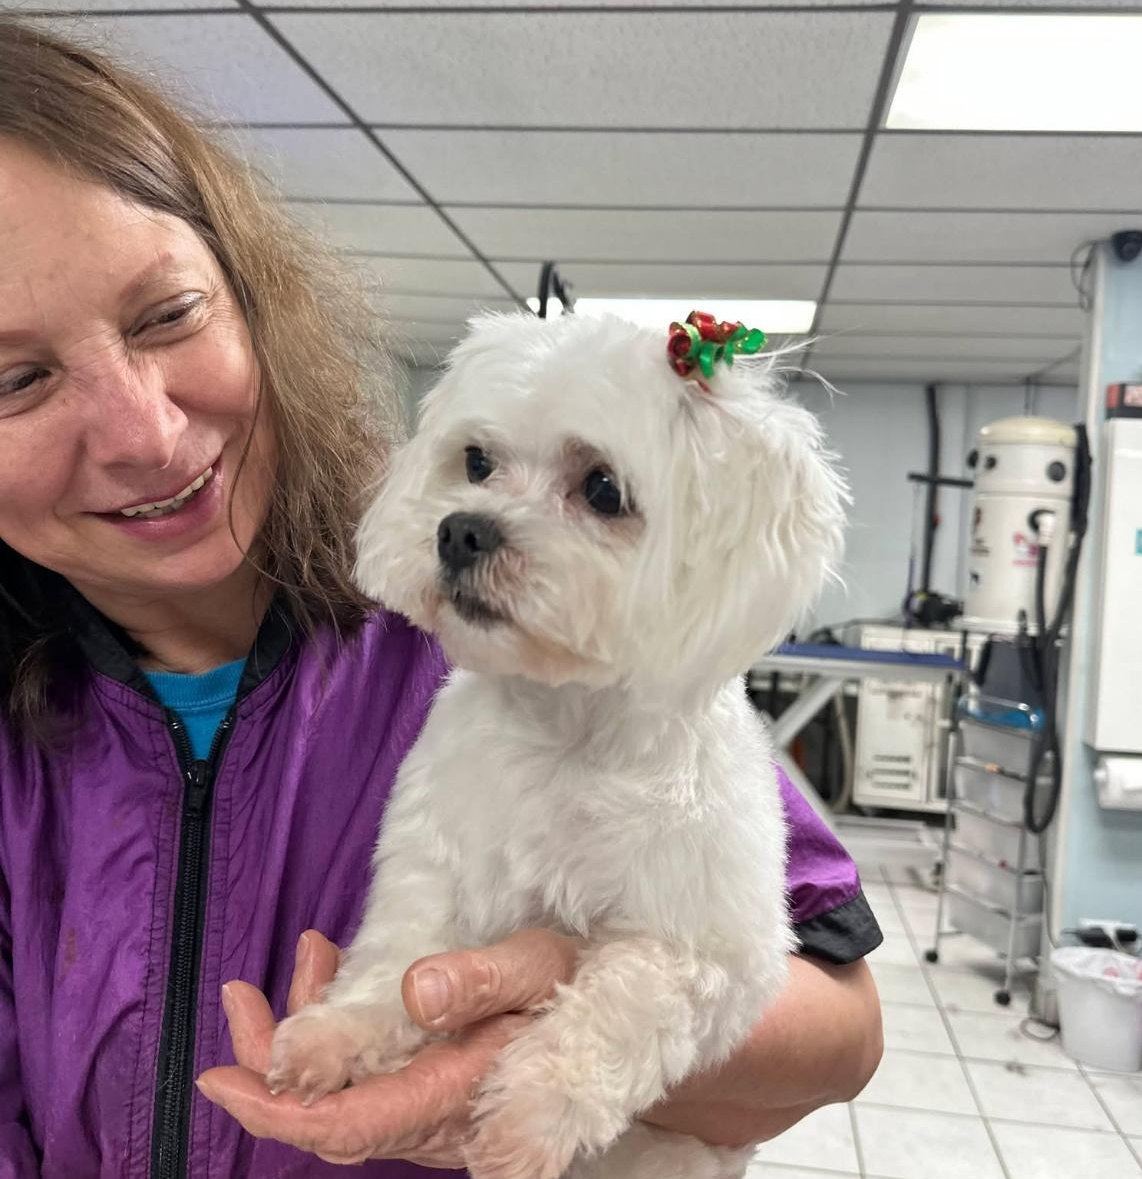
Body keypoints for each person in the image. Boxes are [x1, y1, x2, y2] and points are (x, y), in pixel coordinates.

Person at [0, 17, 883, 1177]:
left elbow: (840, 1031)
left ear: (251, 298)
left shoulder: (548, 669)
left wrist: (564, 1010)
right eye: (16, 378)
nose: (145, 434)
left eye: (167, 315)